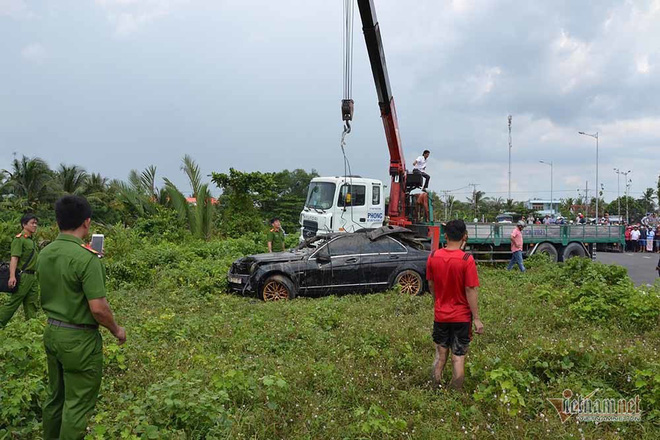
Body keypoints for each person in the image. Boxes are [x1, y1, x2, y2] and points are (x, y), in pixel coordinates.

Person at [38, 195, 126, 440]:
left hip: (53, 332)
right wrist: (117, 330)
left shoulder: (45, 253)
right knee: (76, 406)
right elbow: (98, 309)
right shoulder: (86, 258)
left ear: (57, 221)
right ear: (87, 223)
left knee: (56, 398)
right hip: (79, 339)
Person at [427, 219, 483, 390]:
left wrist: (438, 301)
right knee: (458, 358)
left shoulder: (433, 256)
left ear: (446, 236)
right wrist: (477, 319)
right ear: (465, 236)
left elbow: (431, 284)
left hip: (441, 315)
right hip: (461, 317)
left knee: (440, 355)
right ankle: (456, 396)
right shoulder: (467, 259)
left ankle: (435, 388)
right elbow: (470, 290)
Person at [0, 213, 40, 328]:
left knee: (31, 302)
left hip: (33, 276)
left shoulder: (31, 240)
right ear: (24, 224)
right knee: (14, 301)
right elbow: (14, 258)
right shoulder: (19, 240)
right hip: (24, 275)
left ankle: (32, 327)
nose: (35, 225)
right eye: (32, 223)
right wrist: (12, 276)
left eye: (36, 223)